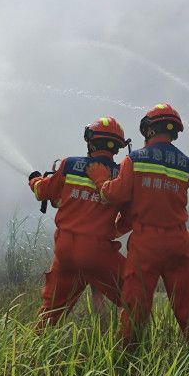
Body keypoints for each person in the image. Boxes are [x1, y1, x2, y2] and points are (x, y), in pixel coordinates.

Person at [87, 103, 189, 345]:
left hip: (147, 242)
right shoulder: (186, 163)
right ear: (174, 132)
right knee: (188, 300)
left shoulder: (134, 159)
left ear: (149, 130)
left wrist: (100, 179)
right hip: (179, 240)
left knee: (136, 302)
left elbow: (116, 195)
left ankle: (127, 354)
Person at [27, 116, 131, 327]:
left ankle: (34, 351)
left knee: (51, 311)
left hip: (65, 250)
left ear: (90, 141)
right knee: (134, 294)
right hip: (98, 251)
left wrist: (34, 179)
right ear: (118, 147)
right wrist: (113, 232)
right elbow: (128, 218)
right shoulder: (121, 177)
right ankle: (134, 347)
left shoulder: (69, 165)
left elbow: (43, 191)